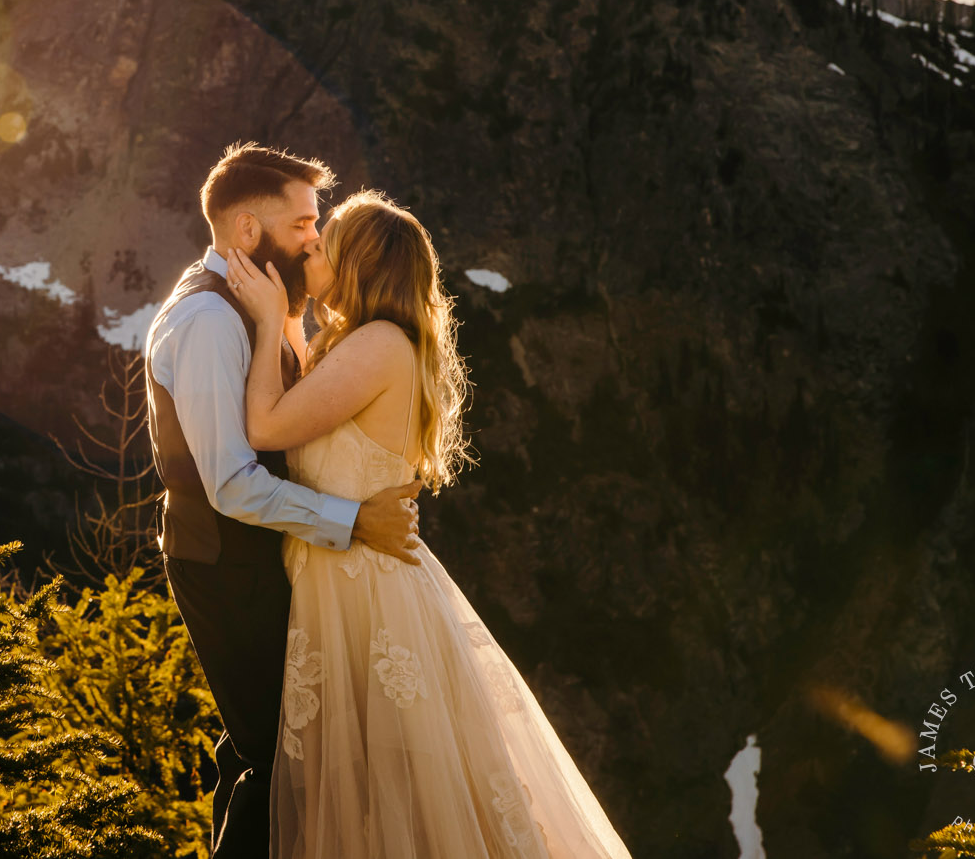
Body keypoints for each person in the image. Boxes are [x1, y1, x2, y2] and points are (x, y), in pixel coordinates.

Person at [226, 189, 636, 858]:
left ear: (357, 263)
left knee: (399, 802)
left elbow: (266, 424)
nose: (312, 248)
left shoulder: (380, 344)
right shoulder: (364, 343)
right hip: (345, 585)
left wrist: (273, 318)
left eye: (327, 242)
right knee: (370, 805)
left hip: (367, 597)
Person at [145, 143, 427, 859]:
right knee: (281, 761)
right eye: (304, 224)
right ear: (247, 231)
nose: (314, 240)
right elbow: (233, 482)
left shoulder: (258, 308)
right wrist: (355, 521)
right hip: (227, 563)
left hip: (265, 561)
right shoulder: (209, 323)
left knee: (253, 742)